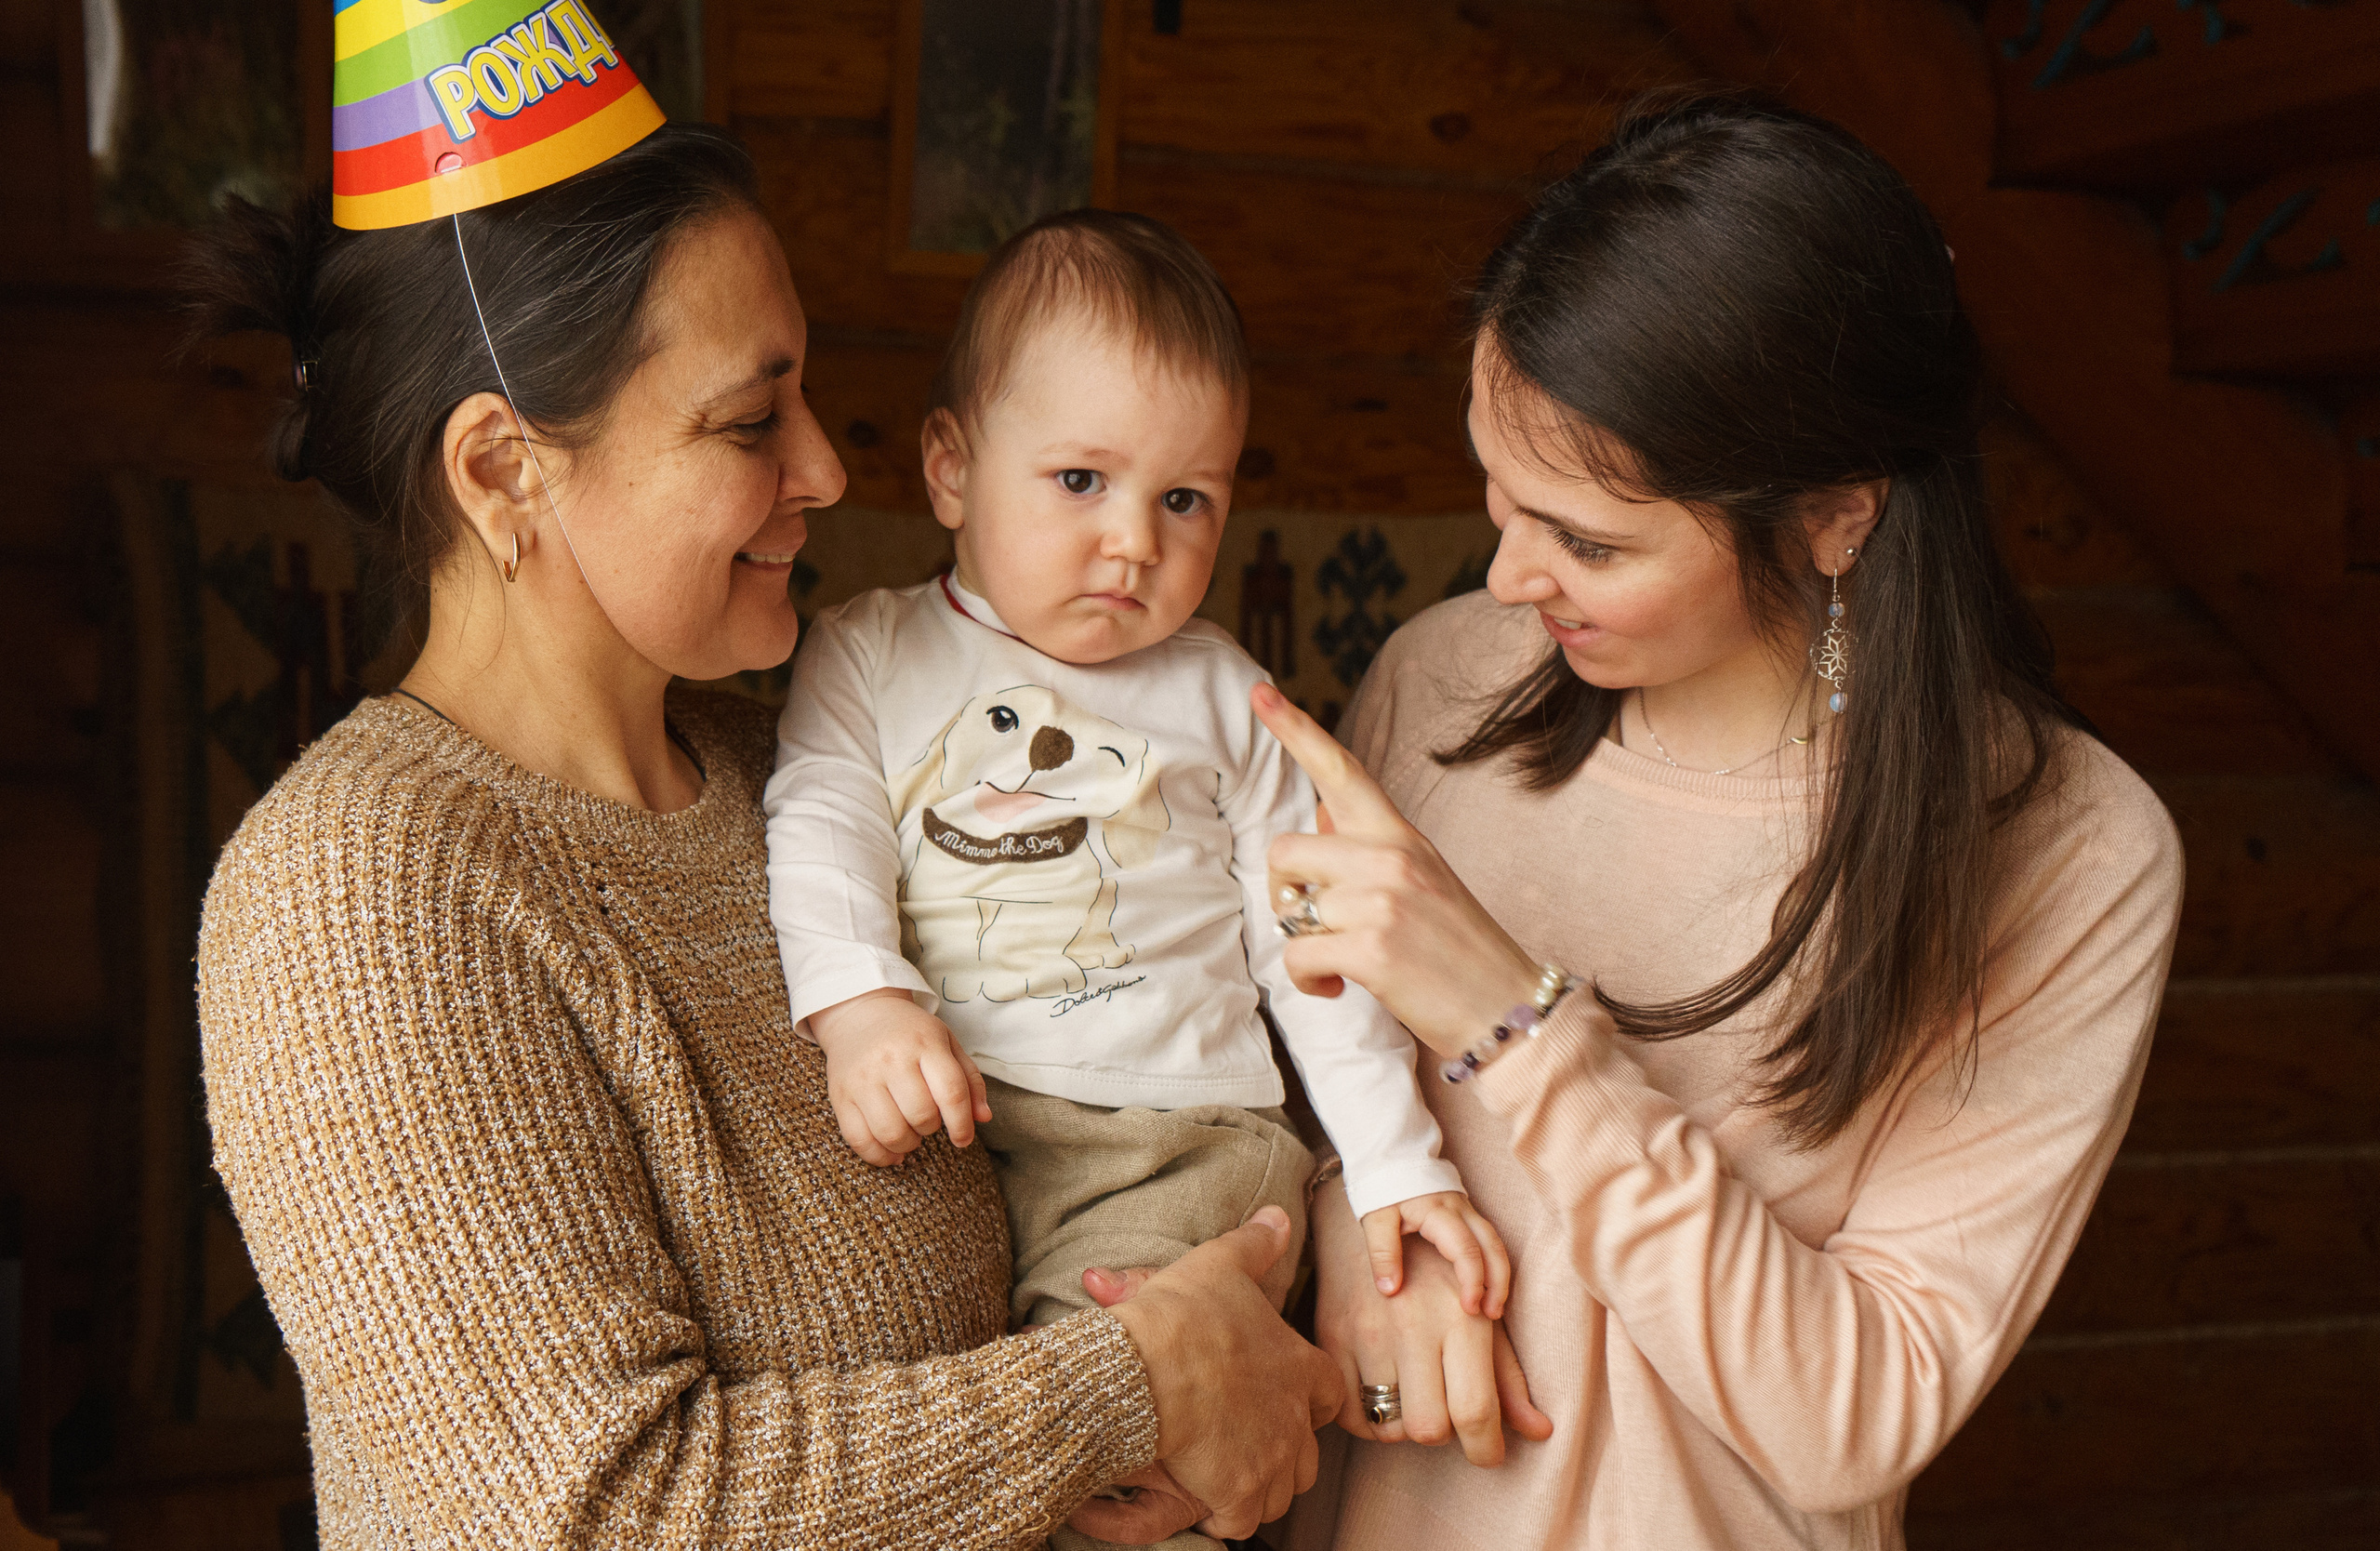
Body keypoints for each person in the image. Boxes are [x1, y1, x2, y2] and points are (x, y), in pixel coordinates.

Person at [190, 124, 1340, 1550]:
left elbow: (1142, 1050)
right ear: (503, 471)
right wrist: (1139, 1385)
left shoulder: (786, 769)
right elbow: (590, 1511)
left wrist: (1342, 1241)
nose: (824, 469)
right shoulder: (361, 894)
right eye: (750, 421)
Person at [1238, 94, 2184, 1550]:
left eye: (1588, 541)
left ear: (1836, 516)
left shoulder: (2072, 849)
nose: (1507, 578)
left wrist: (1514, 1026)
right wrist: (1358, 1223)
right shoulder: (1438, 680)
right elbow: (1276, 1089)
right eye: (1497, 499)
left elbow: (1853, 1414)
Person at [765, 209, 1511, 1549]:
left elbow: (1313, 948)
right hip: (967, 1137)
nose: (1132, 542)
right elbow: (822, 829)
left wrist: (1396, 1163)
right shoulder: (867, 656)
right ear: (951, 466)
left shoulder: (1227, 698)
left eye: (1185, 500)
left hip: (1180, 1141)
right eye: (1078, 482)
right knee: (971, 1423)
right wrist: (862, 1005)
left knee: (1134, 1447)